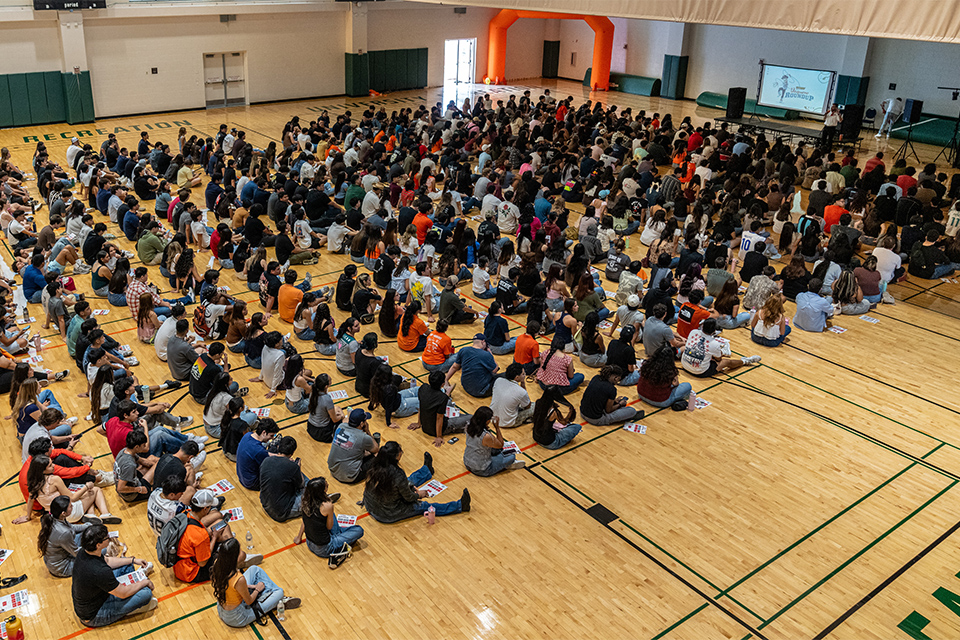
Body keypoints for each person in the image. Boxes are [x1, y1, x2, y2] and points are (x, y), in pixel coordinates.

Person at [71, 524, 157, 627]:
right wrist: (144, 582)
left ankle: (137, 579)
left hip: (98, 595)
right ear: (98, 545)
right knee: (146, 593)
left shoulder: (83, 552)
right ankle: (131, 607)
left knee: (127, 564)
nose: (110, 538)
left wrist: (133, 560)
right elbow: (123, 593)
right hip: (95, 614)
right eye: (107, 538)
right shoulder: (100, 571)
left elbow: (107, 560)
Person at [363, 441, 470, 523]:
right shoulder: (397, 474)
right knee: (425, 506)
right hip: (387, 513)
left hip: (371, 504)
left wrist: (409, 487)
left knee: (408, 481)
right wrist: (419, 494)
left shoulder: (374, 465)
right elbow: (408, 498)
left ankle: (427, 470)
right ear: (396, 456)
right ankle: (460, 506)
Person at [175, 489, 262, 583]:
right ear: (205, 509)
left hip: (181, 563)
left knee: (222, 523)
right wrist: (214, 538)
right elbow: (202, 563)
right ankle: (235, 561)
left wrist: (209, 534)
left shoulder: (186, 513)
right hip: (192, 572)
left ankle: (232, 552)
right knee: (242, 555)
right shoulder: (200, 535)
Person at [211, 538, 300, 627]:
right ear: (235, 557)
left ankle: (269, 596)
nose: (242, 551)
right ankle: (274, 598)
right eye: (240, 550)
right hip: (237, 617)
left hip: (222, 609)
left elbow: (231, 587)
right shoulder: (238, 578)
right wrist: (257, 589)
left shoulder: (217, 564)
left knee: (254, 569)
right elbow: (249, 601)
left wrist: (249, 586)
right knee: (279, 592)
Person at [294, 477, 364, 568]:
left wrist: (299, 537)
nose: (328, 485)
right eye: (326, 485)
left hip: (310, 542)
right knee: (359, 530)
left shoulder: (305, 501)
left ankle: (340, 537)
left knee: (329, 515)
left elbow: (305, 521)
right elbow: (329, 527)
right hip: (325, 548)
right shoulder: (327, 506)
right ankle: (339, 549)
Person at [681, 318, 761, 376]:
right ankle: (745, 361)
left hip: (685, 364)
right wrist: (720, 353)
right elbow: (719, 359)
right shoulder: (714, 343)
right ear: (714, 331)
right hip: (699, 372)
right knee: (725, 362)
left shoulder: (693, 332)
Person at [260, 435, 313, 522]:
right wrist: (298, 468)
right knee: (309, 487)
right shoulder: (292, 467)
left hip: (266, 504)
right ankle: (320, 499)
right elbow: (301, 485)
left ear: (278, 447)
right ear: (292, 453)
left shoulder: (266, 460)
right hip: (283, 512)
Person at [414, 370, 471, 447]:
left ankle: (448, 393)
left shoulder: (423, 388)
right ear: (443, 384)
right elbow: (439, 418)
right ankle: (447, 393)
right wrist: (439, 436)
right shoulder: (442, 398)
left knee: (448, 403)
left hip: (425, 426)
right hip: (439, 428)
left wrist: (419, 423)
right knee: (470, 417)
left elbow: (421, 406)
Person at [463, 407, 525, 476]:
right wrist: (497, 427)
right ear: (487, 421)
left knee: (494, 450)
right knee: (511, 456)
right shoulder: (486, 436)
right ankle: (506, 465)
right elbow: (500, 444)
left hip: (467, 462)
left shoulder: (469, 425)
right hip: (482, 469)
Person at [328, 409, 379, 484]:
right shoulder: (363, 437)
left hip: (333, 469)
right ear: (362, 424)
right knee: (378, 454)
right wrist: (367, 431)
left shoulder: (341, 426)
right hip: (350, 476)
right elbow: (376, 449)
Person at [445, 334, 499, 398]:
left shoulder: (463, 350)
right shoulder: (486, 355)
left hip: (466, 386)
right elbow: (495, 369)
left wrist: (446, 379)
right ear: (483, 342)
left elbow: (454, 367)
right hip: (481, 391)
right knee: (503, 376)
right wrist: (490, 354)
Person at [236, 418, 280, 490]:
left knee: (273, 451)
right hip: (253, 483)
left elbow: (265, 454)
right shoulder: (258, 451)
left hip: (242, 477)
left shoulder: (248, 435)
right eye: (271, 436)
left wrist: (278, 456)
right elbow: (270, 466)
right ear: (264, 432)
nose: (272, 438)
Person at [489, 362, 534, 428]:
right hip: (508, 422)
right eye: (523, 374)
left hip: (492, 417)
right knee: (535, 405)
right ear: (517, 377)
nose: (525, 375)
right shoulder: (521, 391)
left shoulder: (498, 380)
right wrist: (523, 384)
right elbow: (527, 406)